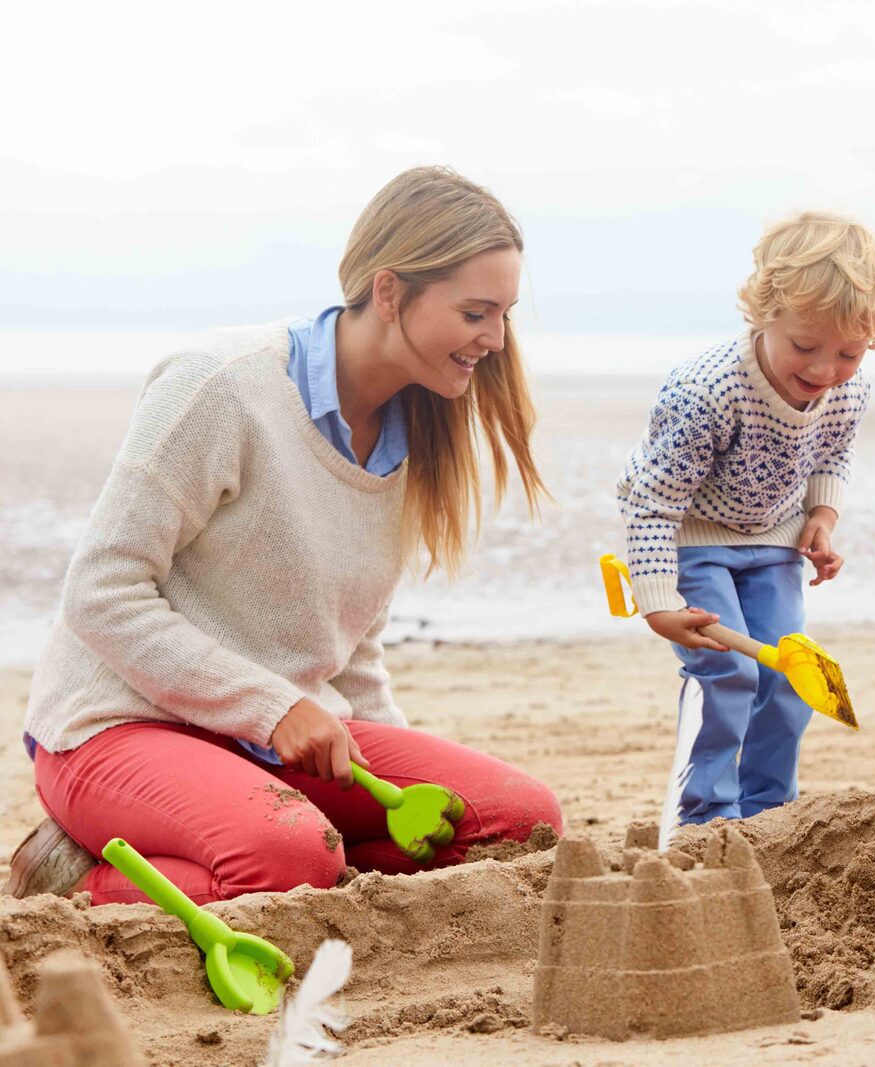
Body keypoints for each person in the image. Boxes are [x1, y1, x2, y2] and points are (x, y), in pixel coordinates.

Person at [5, 167, 563, 904]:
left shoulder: (413, 430)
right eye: (475, 313)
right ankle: (70, 870)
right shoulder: (222, 386)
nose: (494, 339)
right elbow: (100, 594)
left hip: (272, 746)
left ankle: (277, 850)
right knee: (290, 856)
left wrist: (397, 780)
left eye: (504, 315)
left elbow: (349, 645)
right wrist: (271, 707)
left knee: (517, 820)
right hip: (117, 725)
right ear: (390, 292)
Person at [617, 211, 875, 824]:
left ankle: (769, 813)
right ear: (764, 313)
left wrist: (821, 516)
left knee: (791, 676)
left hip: (772, 541)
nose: (824, 371)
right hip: (694, 538)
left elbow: (832, 451)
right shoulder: (708, 391)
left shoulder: (846, 390)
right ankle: (704, 815)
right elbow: (652, 502)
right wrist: (657, 599)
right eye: (805, 346)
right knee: (729, 672)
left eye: (848, 353)